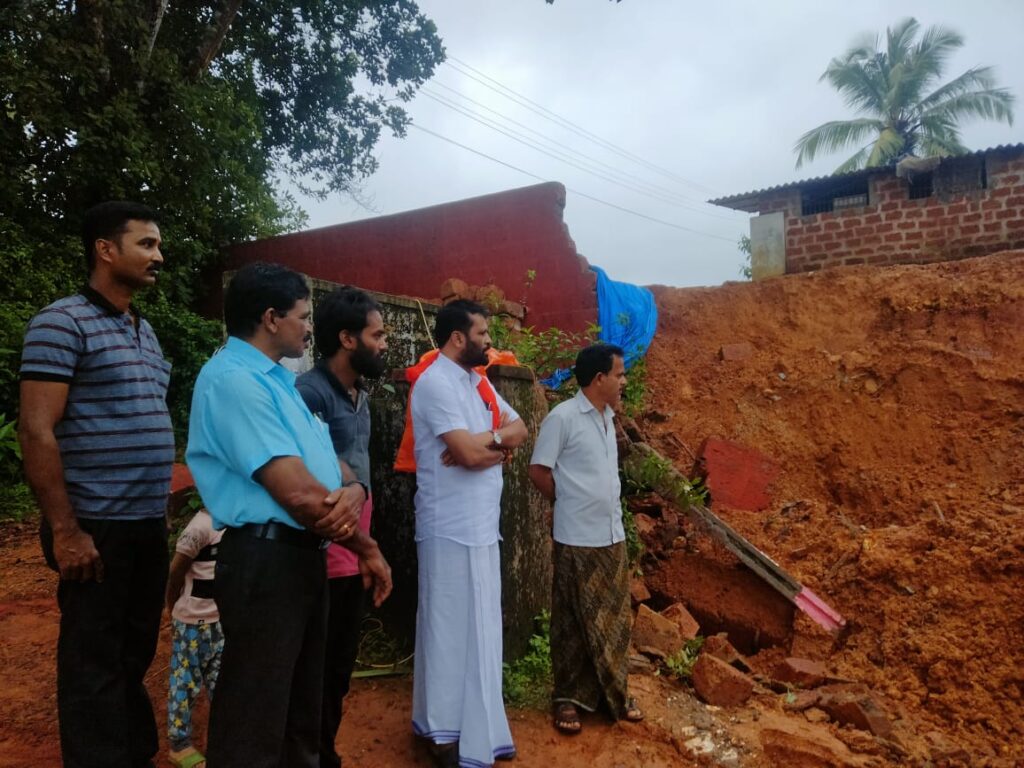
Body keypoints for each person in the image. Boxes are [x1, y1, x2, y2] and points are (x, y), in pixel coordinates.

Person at [185, 262, 392, 768]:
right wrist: (366, 547)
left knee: (301, 709)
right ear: (271, 318)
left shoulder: (278, 382)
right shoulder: (235, 382)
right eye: (303, 316)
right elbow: (298, 493)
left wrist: (354, 488)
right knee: (256, 714)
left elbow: (327, 463)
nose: (309, 328)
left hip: (299, 557)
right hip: (265, 559)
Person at [18, 200, 174, 768]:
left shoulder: (144, 329)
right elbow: (36, 430)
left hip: (145, 523)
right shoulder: (60, 322)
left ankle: (133, 753)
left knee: (133, 652)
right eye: (146, 244)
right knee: (93, 660)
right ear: (105, 250)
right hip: (94, 523)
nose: (159, 256)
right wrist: (66, 530)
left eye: (158, 245)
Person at [410, 299, 528, 768]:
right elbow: (466, 455)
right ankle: (441, 731)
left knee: (482, 629)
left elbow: (519, 429)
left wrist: (487, 443)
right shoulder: (434, 383)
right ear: (458, 338)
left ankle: (481, 730)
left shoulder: (479, 383)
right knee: (446, 629)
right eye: (482, 333)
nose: (489, 341)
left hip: (482, 527)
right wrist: (489, 448)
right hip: (447, 528)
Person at [527, 343, 644, 735]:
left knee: (615, 620)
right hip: (576, 536)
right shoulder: (563, 418)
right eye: (620, 374)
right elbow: (538, 471)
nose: (624, 381)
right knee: (571, 622)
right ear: (599, 378)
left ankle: (613, 694)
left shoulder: (609, 418)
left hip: (612, 535)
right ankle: (568, 698)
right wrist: (565, 503)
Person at [295, 287, 388, 768]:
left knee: (338, 667)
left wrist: (365, 547)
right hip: (320, 553)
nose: (385, 344)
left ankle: (324, 750)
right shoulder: (309, 393)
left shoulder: (359, 394)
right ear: (348, 339)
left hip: (354, 550)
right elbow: (313, 476)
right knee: (314, 668)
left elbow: (357, 474)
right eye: (378, 335)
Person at [165, 508, 224, 768]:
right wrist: (172, 608)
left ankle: (221, 740)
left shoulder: (233, 522)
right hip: (191, 624)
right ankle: (179, 745)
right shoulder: (198, 528)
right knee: (185, 683)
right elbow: (175, 572)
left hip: (220, 622)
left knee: (221, 683)